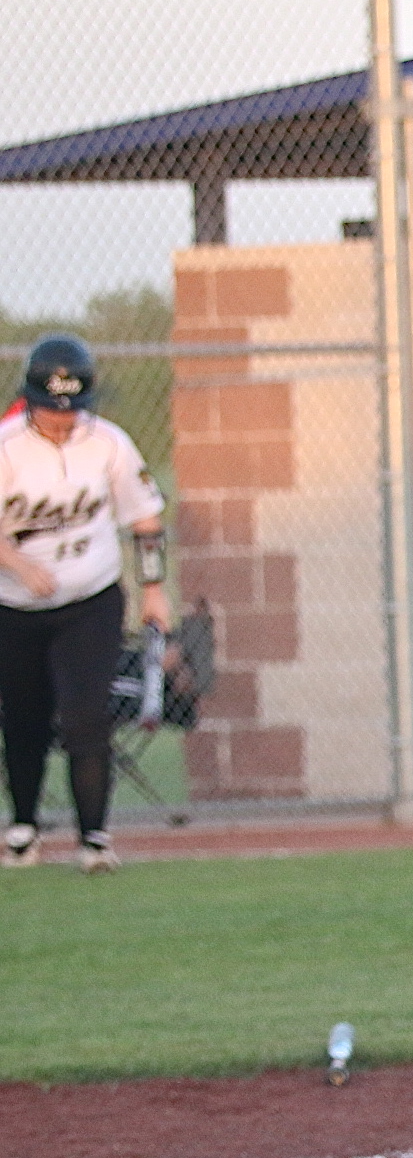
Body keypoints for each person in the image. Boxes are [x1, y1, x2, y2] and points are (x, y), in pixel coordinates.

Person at [0, 334, 168, 872]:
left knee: (87, 715)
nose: (62, 419)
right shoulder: (7, 446)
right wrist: (19, 564)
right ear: (30, 400)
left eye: (71, 408)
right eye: (50, 408)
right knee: (24, 717)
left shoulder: (108, 443)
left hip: (90, 601)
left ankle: (94, 837)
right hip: (15, 607)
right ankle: (23, 827)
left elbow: (145, 519)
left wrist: (154, 590)